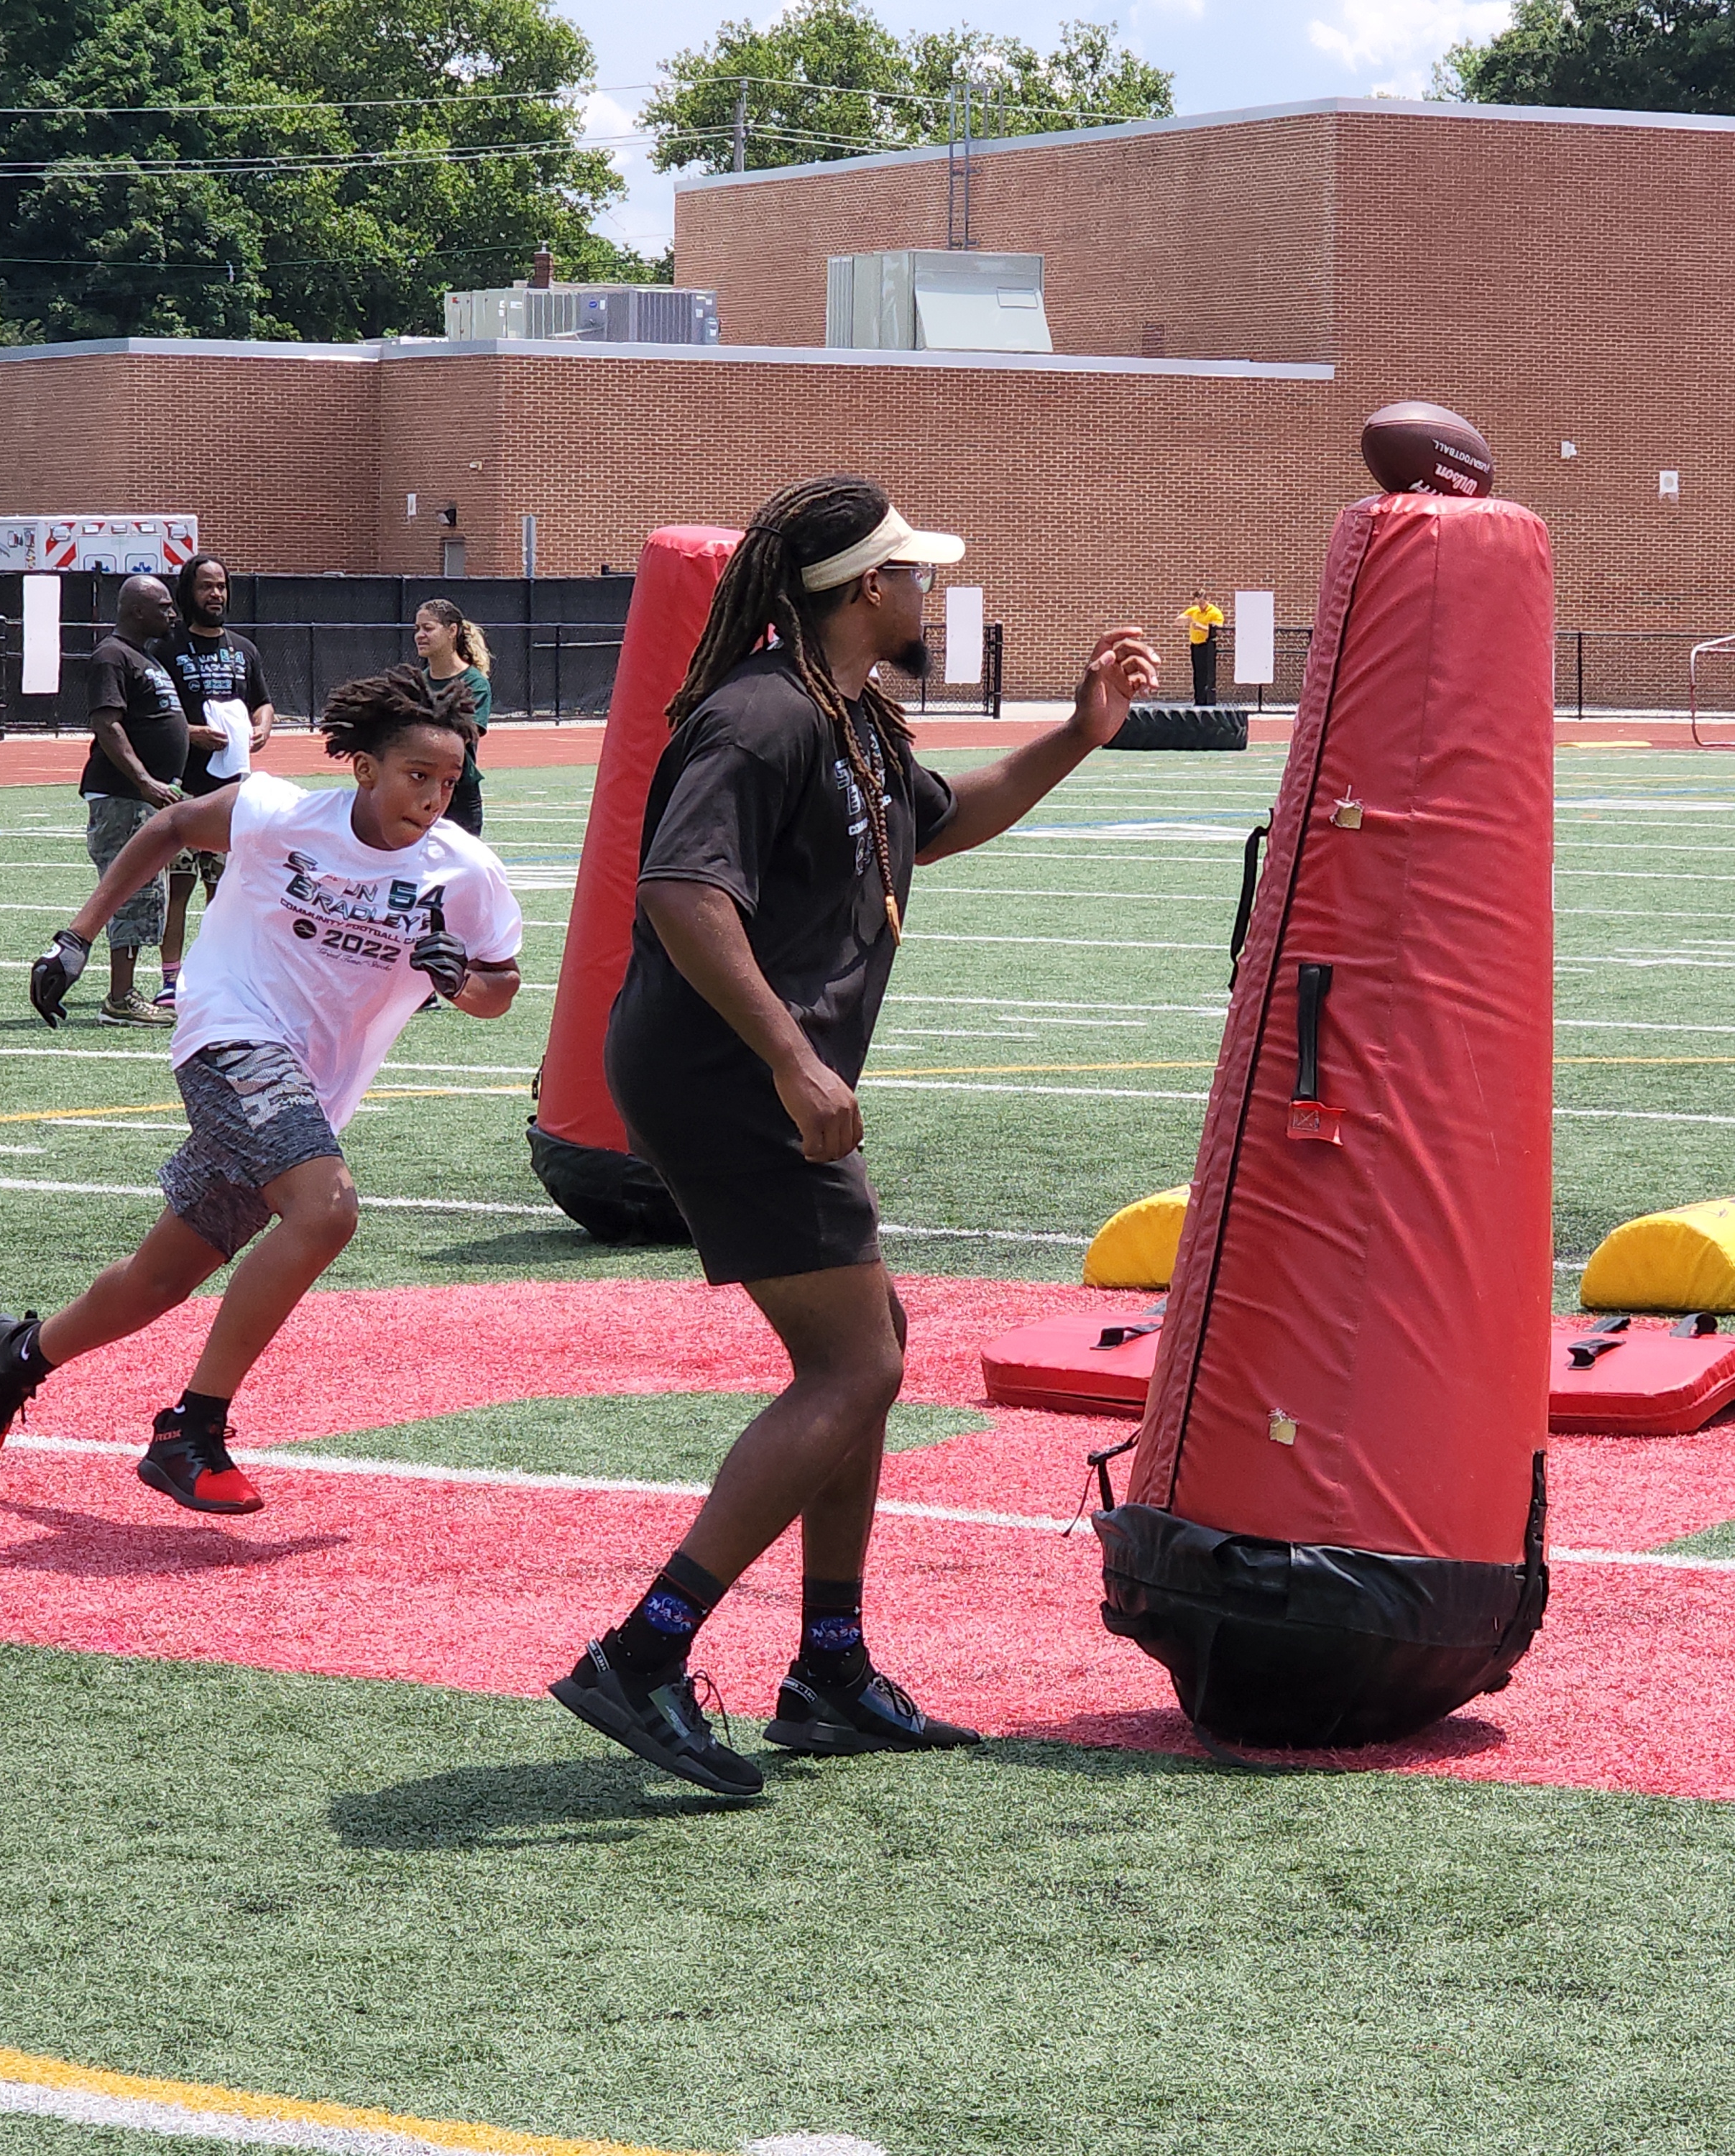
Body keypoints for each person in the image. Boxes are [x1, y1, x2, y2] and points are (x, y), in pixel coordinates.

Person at [546, 474, 1157, 1800]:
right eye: (912, 575)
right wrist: (788, 1057)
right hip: (727, 1073)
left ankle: (829, 1665)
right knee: (851, 1367)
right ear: (863, 590)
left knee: (872, 1346)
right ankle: (643, 1652)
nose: (926, 592)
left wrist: (1080, 734)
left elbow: (941, 825)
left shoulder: (851, 721)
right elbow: (682, 893)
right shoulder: (764, 716)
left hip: (755, 1071)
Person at [0, 668, 521, 1516]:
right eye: (417, 776)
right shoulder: (280, 815)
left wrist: (460, 980)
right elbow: (174, 824)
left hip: (311, 1091)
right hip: (230, 1038)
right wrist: (76, 936)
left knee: (158, 1279)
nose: (435, 796)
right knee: (326, 1211)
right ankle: (191, 1429)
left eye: (449, 780)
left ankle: (17, 1357)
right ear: (363, 768)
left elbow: (499, 988)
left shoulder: (464, 872)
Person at [152, 553, 276, 1013]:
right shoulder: (167, 648)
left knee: (228, 889)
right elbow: (151, 715)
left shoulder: (244, 649)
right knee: (179, 885)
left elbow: (263, 703)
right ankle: (170, 978)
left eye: (221, 586)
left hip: (233, 793)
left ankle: (224, 974)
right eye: (206, 586)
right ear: (189, 592)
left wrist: (263, 726)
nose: (216, 594)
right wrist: (189, 732)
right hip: (184, 785)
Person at [78, 576, 189, 1026]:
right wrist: (144, 780)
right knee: (131, 891)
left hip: (148, 796)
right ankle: (119, 999)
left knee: (149, 893)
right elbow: (108, 724)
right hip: (125, 797)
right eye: (164, 607)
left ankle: (125, 993)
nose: (173, 614)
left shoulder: (145, 657)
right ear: (137, 611)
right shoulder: (112, 656)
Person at [413, 598, 491, 837]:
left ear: (452, 631)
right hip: (417, 791)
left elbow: (461, 737)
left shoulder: (474, 684)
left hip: (458, 796)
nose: (420, 635)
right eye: (417, 629)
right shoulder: (416, 683)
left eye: (428, 628)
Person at [1182, 589, 1224, 707]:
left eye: (1202, 603)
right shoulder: (1194, 611)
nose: (1200, 606)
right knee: (1197, 673)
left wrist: (1201, 627)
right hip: (1195, 645)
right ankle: (1198, 700)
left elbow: (1219, 631)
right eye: (1197, 603)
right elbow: (1178, 621)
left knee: (1207, 674)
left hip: (1208, 645)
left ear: (1208, 600)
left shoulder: (1215, 612)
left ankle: (1208, 701)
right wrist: (1186, 619)